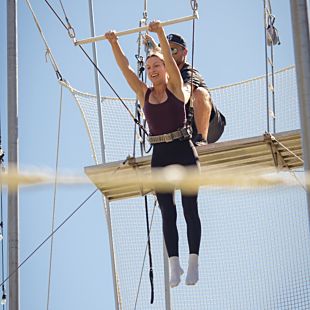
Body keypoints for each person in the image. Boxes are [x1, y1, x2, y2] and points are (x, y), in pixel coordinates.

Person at [105, 22, 201, 288]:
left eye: (156, 65)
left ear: (165, 69)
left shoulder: (176, 88)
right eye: (148, 68)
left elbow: (170, 62)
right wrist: (114, 43)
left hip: (184, 150)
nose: (152, 70)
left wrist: (159, 35)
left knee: (189, 209)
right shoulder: (143, 93)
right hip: (160, 153)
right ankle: (174, 264)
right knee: (167, 213)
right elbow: (125, 68)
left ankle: (193, 261)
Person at [145, 33, 226, 146]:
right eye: (165, 52)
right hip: (186, 130)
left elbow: (185, 94)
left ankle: (202, 139)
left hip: (211, 125)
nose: (169, 55)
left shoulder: (189, 73)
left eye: (173, 50)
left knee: (200, 92)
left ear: (184, 52)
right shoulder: (164, 75)